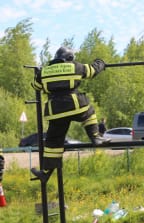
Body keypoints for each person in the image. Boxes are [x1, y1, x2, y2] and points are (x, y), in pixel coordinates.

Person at [30, 46, 110, 183]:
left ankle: (45, 173)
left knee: (53, 143)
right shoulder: (75, 67)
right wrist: (100, 62)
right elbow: (92, 71)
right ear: (70, 58)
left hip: (55, 111)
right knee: (89, 112)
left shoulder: (44, 71)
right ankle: (96, 137)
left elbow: (35, 86)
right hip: (74, 105)